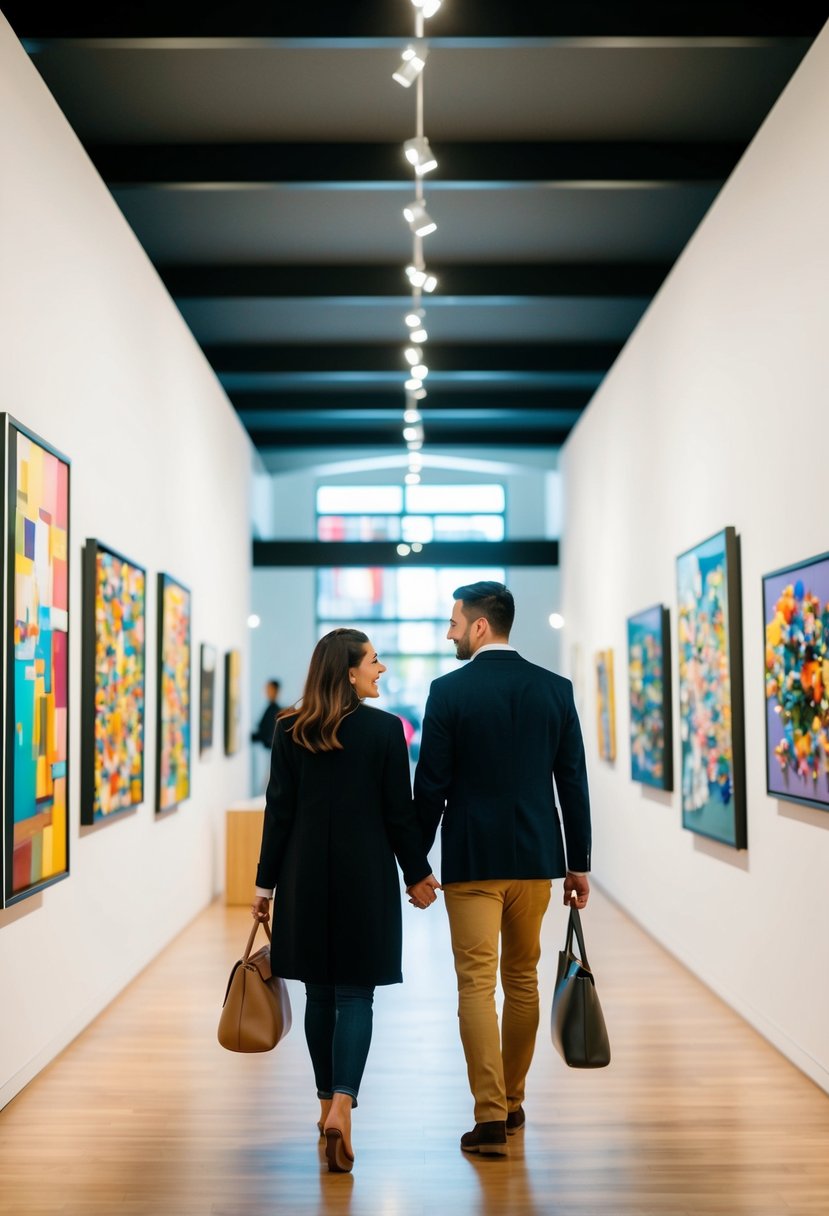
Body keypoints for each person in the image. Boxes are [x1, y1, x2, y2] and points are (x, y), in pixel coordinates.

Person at [409, 581, 592, 1156]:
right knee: (521, 981)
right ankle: (512, 1103)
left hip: (472, 861)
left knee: (476, 985)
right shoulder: (554, 690)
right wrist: (577, 863)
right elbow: (573, 784)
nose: (450, 632)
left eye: (454, 622)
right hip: (537, 860)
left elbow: (431, 786)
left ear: (480, 626)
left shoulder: (448, 692)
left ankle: (488, 1117)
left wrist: (415, 864)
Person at [251, 629, 439, 1174]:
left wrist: (264, 888)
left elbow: (277, 813)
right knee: (356, 995)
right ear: (349, 671)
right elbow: (397, 813)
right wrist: (419, 873)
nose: (380, 669)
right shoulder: (385, 731)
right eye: (374, 661)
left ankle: (323, 1105)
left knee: (319, 993)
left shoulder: (291, 728)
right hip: (365, 879)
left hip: (304, 877)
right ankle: (342, 1106)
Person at [251, 678, 281, 750]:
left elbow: (267, 733)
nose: (267, 691)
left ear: (275, 691)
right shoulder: (270, 708)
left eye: (269, 689)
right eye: (267, 689)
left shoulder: (274, 710)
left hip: (270, 749)